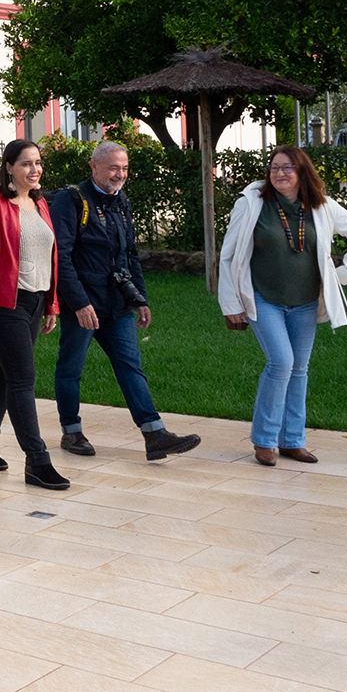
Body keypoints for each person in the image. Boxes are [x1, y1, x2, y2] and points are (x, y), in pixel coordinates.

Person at [49, 141, 202, 461]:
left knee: (131, 365)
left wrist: (140, 298)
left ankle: (154, 434)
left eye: (125, 168)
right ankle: (71, 432)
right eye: (113, 168)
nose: (120, 174)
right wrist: (78, 303)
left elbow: (129, 254)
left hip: (116, 302)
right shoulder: (71, 200)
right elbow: (59, 257)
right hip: (84, 303)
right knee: (71, 367)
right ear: (94, 166)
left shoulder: (121, 201)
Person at [219, 145, 347, 466]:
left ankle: (292, 440)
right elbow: (229, 255)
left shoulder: (322, 206)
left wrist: (345, 274)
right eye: (274, 168)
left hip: (304, 302)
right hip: (263, 299)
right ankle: (264, 440)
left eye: (287, 168)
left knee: (299, 370)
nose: (280, 173)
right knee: (281, 362)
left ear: (302, 172)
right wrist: (230, 303)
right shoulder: (251, 204)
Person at [0, 138, 69, 490]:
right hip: (2, 304)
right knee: (23, 378)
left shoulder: (40, 205)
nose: (34, 170)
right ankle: (37, 461)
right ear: (9, 167)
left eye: (37, 163)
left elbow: (48, 258)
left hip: (35, 303)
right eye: (26, 163)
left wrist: (51, 303)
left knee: (5, 375)